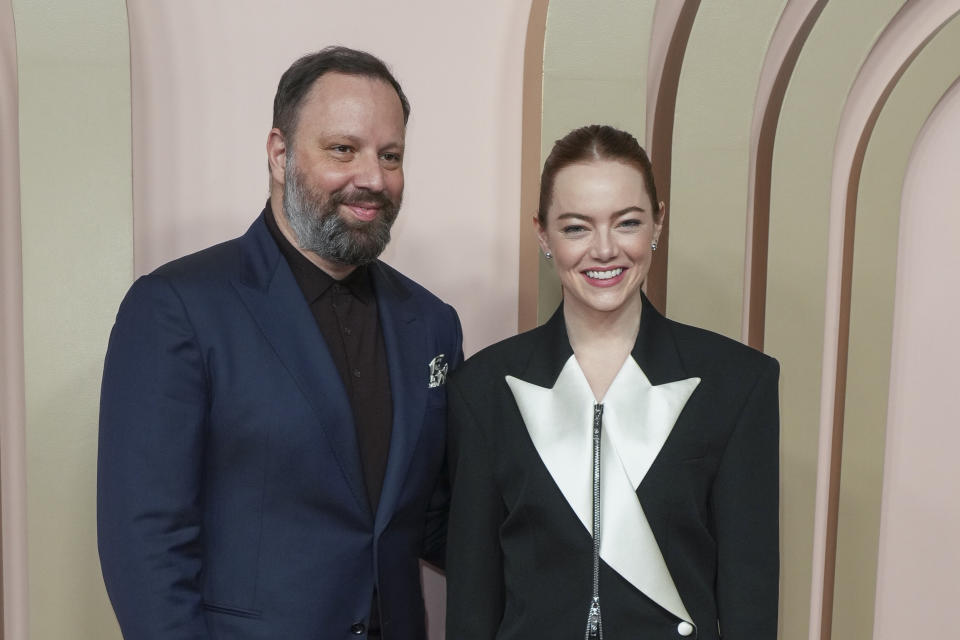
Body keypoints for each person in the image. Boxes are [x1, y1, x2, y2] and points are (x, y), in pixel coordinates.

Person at [98, 46, 462, 639]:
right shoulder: (176, 308)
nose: (371, 178)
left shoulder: (432, 322)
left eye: (389, 155)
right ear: (279, 154)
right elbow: (144, 547)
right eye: (343, 149)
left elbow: (436, 517)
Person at [445, 125, 779, 639]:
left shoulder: (737, 382)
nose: (604, 250)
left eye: (627, 223)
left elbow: (749, 594)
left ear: (657, 224)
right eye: (577, 227)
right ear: (543, 234)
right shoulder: (484, 388)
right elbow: (472, 598)